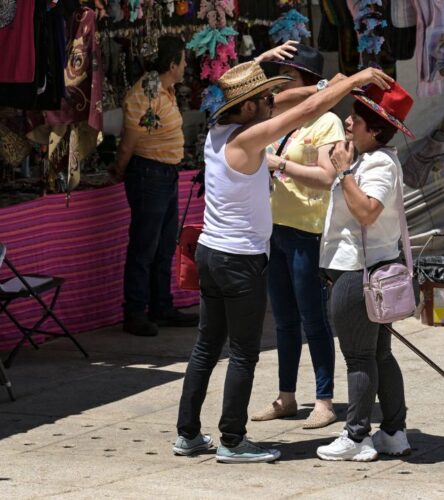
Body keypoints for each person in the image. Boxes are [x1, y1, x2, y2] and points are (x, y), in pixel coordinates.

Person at [173, 53, 393, 463]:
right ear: (249, 107)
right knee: (243, 352)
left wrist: (325, 85)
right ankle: (233, 440)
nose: (272, 102)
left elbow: (296, 99)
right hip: (238, 261)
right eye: (264, 99)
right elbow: (304, 110)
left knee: (206, 346)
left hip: (211, 253)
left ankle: (188, 434)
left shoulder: (218, 129)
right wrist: (353, 81)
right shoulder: (246, 139)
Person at [316, 81, 415, 462]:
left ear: (374, 129)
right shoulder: (367, 159)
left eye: (355, 118)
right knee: (379, 355)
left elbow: (367, 211)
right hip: (361, 269)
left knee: (360, 357)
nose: (347, 121)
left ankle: (357, 435)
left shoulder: (377, 164)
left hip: (358, 271)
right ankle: (393, 431)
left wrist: (344, 173)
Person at [251, 44, 344, 429]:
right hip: (274, 229)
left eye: (288, 75)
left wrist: (280, 164)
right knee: (284, 320)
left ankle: (324, 400)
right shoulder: (280, 117)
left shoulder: (328, 122)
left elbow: (326, 178)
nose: (282, 83)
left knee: (313, 319)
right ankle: (286, 396)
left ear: (305, 79)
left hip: (306, 229)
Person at [112, 35, 198, 337]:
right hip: (149, 174)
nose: (186, 66)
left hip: (165, 174)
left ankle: (161, 306)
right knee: (144, 245)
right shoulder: (144, 93)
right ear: (172, 65)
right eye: (184, 61)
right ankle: (135, 312)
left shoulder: (165, 89)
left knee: (163, 245)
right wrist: (120, 170)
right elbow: (129, 142)